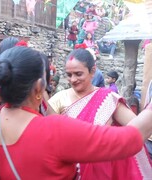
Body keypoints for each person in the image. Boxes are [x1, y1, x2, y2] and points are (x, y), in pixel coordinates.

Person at [0, 46, 152, 179]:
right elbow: (130, 139)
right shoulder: (54, 129)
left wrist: (12, 87)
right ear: (40, 86)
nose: (73, 80)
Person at [49, 49, 152, 179]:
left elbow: (136, 129)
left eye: (78, 74)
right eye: (69, 75)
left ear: (92, 71)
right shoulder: (59, 98)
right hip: (69, 169)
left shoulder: (108, 99)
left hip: (99, 171)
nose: (73, 79)